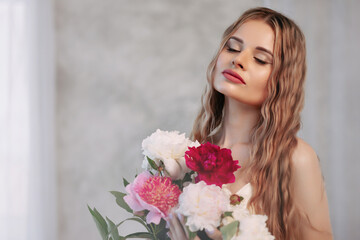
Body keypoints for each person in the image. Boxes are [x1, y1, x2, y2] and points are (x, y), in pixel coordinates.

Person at [167, 7, 333, 240]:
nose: (238, 60)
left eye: (260, 59)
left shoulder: (296, 159)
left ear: (282, 81)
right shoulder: (189, 157)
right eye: (232, 47)